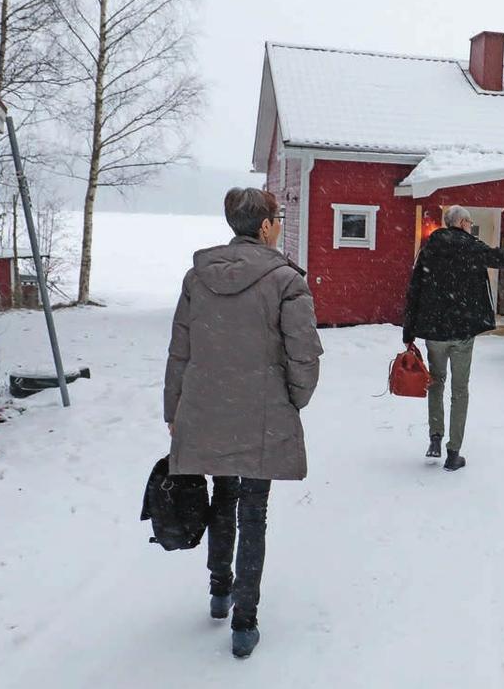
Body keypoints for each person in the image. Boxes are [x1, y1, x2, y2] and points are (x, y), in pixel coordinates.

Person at [164, 187, 323, 659]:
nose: (279, 226)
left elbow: (181, 349)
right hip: (261, 412)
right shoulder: (284, 280)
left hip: (209, 407)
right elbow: (304, 352)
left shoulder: (198, 277)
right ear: (266, 226)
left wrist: (174, 410)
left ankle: (220, 590)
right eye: (277, 219)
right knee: (253, 510)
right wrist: (294, 399)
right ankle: (244, 622)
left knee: (224, 495)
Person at [402, 205, 504, 470]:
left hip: (433, 331)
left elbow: (414, 288)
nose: (470, 225)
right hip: (461, 332)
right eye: (469, 221)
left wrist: (408, 332)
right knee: (460, 391)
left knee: (435, 383)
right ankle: (453, 452)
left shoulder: (429, 248)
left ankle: (435, 438)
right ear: (460, 222)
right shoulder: (471, 247)